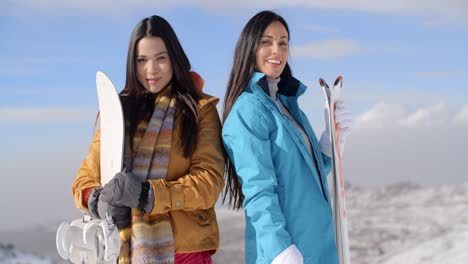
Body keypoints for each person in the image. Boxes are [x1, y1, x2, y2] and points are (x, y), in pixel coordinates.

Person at [72, 15, 224, 264]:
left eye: (160, 58)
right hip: (128, 251)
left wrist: (148, 195)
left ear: (174, 58)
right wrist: (99, 198)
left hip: (186, 252)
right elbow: (83, 180)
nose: (150, 69)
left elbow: (209, 182)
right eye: (142, 60)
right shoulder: (119, 112)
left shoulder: (199, 110)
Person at [222, 10, 353, 264]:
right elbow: (258, 190)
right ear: (250, 47)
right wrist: (279, 250)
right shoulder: (248, 110)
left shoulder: (287, 105)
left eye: (283, 43)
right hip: (287, 252)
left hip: (317, 247)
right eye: (266, 42)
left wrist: (331, 141)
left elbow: (303, 175)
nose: (277, 51)